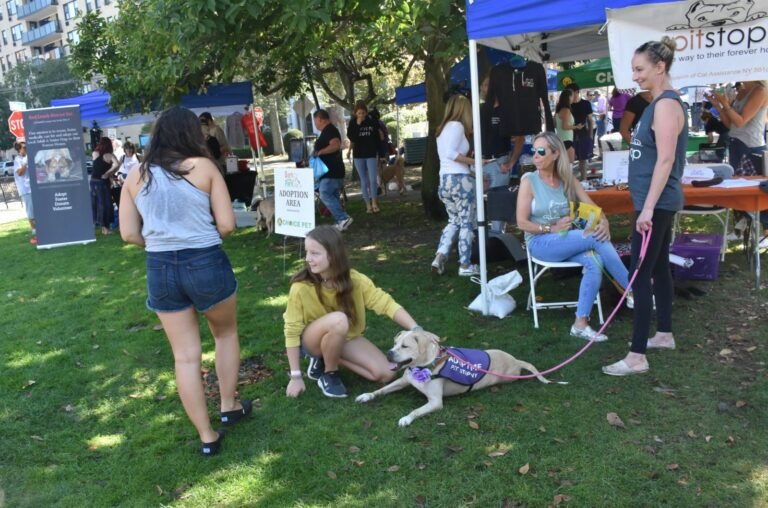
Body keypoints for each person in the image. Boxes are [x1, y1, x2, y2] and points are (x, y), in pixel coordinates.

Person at [119, 106, 250, 456]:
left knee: (186, 357)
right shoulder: (204, 167)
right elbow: (227, 225)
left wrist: (161, 242)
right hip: (205, 258)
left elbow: (129, 233)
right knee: (225, 334)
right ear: (191, 133)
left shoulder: (136, 175)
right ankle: (228, 405)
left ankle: (207, 437)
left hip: (159, 267)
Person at [602, 37, 688, 376]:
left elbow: (666, 160)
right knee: (658, 267)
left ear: (659, 67)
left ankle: (637, 355)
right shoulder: (657, 103)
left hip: (656, 204)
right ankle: (664, 334)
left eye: (639, 69)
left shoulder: (666, 105)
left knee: (638, 272)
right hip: (652, 202)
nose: (635, 76)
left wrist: (648, 208)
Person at [517, 132, 630, 342]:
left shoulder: (567, 180)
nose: (536, 156)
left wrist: (604, 222)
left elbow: (594, 208)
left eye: (541, 151)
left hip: (565, 240)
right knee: (592, 237)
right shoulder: (529, 181)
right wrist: (551, 228)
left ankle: (580, 324)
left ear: (555, 154)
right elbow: (522, 223)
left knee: (594, 261)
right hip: (540, 243)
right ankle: (632, 289)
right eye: (534, 151)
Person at [283, 225, 420, 398]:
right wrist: (295, 376)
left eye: (315, 253)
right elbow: (291, 330)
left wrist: (416, 328)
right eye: (307, 252)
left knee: (386, 373)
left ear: (334, 255)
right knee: (340, 320)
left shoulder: (355, 279)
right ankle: (330, 373)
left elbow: (386, 303)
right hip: (312, 341)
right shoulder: (300, 287)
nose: (308, 259)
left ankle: (327, 358)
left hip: (344, 336)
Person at [431, 94, 479, 277]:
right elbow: (452, 154)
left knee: (454, 221)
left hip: (444, 181)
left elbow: (447, 154)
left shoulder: (441, 129)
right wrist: (475, 161)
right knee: (466, 222)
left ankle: (440, 256)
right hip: (461, 180)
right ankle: (465, 264)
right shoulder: (457, 126)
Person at [707, 81, 767, 172]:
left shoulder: (761, 91)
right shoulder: (741, 91)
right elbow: (730, 125)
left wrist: (725, 104)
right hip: (735, 143)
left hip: (750, 147)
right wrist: (717, 105)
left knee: (749, 184)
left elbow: (740, 122)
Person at [314, 109, 353, 231]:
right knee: (334, 196)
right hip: (333, 171)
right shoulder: (327, 131)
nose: (315, 124)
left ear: (320, 119)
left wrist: (320, 152)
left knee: (325, 194)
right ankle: (340, 223)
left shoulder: (330, 130)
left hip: (331, 172)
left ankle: (343, 218)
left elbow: (336, 145)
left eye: (315, 121)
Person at [347, 101, 381, 214]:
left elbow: (377, 137)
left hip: (371, 154)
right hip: (358, 155)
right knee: (364, 181)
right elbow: (352, 138)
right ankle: (368, 204)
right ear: (355, 113)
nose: (361, 115)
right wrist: (358, 124)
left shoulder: (371, 121)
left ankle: (375, 202)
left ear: (366, 112)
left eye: (363, 113)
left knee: (372, 179)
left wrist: (380, 152)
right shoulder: (352, 123)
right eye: (359, 113)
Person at [91, 137, 120, 235]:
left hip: (93, 181)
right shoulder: (109, 155)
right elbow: (117, 164)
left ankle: (100, 226)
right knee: (106, 205)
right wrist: (108, 173)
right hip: (102, 182)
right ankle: (106, 229)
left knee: (96, 204)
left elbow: (96, 166)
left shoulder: (95, 153)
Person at [566, 83, 594, 180]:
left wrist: (590, 135)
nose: (569, 95)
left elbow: (590, 121)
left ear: (577, 92)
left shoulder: (586, 104)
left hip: (583, 135)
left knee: (583, 159)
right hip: (569, 135)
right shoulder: (567, 105)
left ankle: (584, 180)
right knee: (569, 161)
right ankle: (569, 183)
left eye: (571, 92)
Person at [13, 141, 36, 245]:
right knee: (31, 210)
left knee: (37, 209)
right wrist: (25, 164)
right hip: (26, 189)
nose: (26, 149)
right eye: (24, 148)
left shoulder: (29, 156)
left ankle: (41, 229)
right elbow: (20, 173)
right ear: (19, 149)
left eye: (26, 147)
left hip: (34, 187)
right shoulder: (17, 160)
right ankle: (34, 231)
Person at [554, 89, 584, 163]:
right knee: (569, 164)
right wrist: (576, 127)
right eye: (572, 96)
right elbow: (565, 126)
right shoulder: (566, 110)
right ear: (568, 97)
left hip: (562, 139)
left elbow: (556, 125)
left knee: (565, 165)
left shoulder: (559, 109)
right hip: (566, 140)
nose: (573, 98)